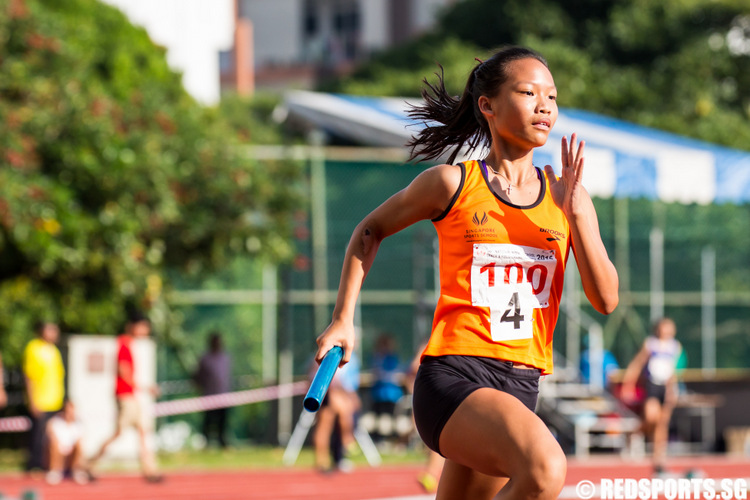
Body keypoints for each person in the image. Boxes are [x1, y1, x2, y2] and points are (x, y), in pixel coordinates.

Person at [314, 45, 619, 499]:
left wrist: (577, 216)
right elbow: (370, 230)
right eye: (528, 92)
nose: (544, 106)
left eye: (552, 97)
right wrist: (342, 319)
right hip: (454, 378)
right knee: (546, 468)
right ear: (488, 105)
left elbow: (606, 299)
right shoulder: (453, 184)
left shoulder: (568, 197)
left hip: (521, 384)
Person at [89, 313, 163, 482]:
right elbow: (124, 372)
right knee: (119, 433)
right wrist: (145, 388)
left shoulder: (129, 344)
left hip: (131, 396)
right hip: (125, 396)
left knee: (144, 431)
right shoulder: (123, 344)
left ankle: (149, 470)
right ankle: (90, 463)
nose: (145, 330)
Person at [620, 317, 682, 476]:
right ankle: (634, 433)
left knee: (662, 424)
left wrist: (672, 389)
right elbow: (637, 363)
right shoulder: (650, 344)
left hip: (665, 387)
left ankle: (658, 460)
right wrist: (628, 384)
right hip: (652, 385)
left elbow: (673, 370)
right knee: (650, 417)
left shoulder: (675, 347)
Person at [23, 321, 65, 474]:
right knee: (37, 436)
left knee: (52, 436)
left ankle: (48, 464)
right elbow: (29, 376)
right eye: (51, 330)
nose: (54, 333)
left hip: (55, 400)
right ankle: (34, 465)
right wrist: (32, 400)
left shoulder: (54, 350)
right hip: (41, 399)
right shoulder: (34, 348)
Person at [312, 350, 361, 473]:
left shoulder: (329, 350)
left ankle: (324, 459)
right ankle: (347, 440)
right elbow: (337, 377)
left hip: (328, 390)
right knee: (327, 424)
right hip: (332, 390)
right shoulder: (336, 351)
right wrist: (350, 395)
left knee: (325, 425)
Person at [193, 331, 232, 448]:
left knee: (222, 422)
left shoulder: (225, 357)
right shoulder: (205, 359)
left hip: (223, 395)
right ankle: (205, 443)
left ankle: (222, 442)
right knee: (208, 421)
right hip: (209, 395)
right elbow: (198, 376)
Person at [369, 333, 404, 443]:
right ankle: (380, 439)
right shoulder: (377, 358)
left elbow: (394, 374)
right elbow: (376, 374)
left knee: (390, 418)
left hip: (391, 394)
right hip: (379, 394)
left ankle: (391, 439)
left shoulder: (392, 358)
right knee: (379, 418)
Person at [45, 399, 88, 485]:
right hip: (58, 449)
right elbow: (52, 437)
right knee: (54, 445)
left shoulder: (79, 423)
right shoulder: (55, 421)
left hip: (72, 451)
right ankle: (55, 471)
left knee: (79, 446)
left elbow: (80, 440)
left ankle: (76, 471)